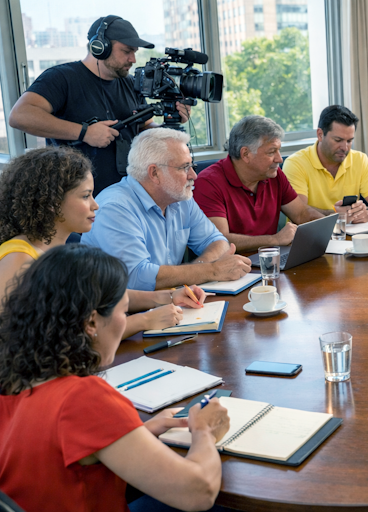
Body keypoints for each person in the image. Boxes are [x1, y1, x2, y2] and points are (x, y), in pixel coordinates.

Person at [0, 244, 231, 512]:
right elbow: (198, 492)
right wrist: (205, 430)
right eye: (124, 312)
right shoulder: (82, 399)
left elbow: (57, 451)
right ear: (91, 323)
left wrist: (135, 432)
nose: (124, 322)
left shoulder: (13, 383)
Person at [0, 146, 206, 339]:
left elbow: (103, 296)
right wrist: (144, 320)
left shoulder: (61, 252)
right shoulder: (19, 260)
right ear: (52, 202)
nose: (95, 205)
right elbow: (53, 340)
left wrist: (169, 297)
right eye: (85, 196)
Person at [7, 15, 189, 195]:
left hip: (128, 195)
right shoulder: (61, 78)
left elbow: (145, 127)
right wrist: (84, 132)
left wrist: (170, 122)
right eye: (127, 51)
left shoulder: (130, 83)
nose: (133, 59)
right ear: (100, 47)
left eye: (134, 52)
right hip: (78, 197)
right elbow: (20, 116)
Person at [81, 128, 251, 291]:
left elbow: (217, 241)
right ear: (154, 173)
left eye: (192, 166)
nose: (193, 175)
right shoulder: (115, 208)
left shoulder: (180, 197)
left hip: (169, 299)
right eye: (184, 167)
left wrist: (201, 268)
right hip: (118, 308)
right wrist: (211, 270)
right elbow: (137, 278)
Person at [194, 116, 324, 251]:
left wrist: (331, 227)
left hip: (270, 259)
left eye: (279, 150)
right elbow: (219, 241)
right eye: (272, 152)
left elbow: (301, 214)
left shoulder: (274, 174)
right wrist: (275, 240)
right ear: (246, 154)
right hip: (231, 262)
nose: (279, 159)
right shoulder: (208, 183)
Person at [282, 105, 368, 223]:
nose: (345, 147)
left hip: (351, 232)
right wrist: (336, 215)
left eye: (349, 141)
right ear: (320, 134)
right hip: (312, 233)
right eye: (338, 140)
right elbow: (299, 212)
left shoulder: (360, 159)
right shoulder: (295, 163)